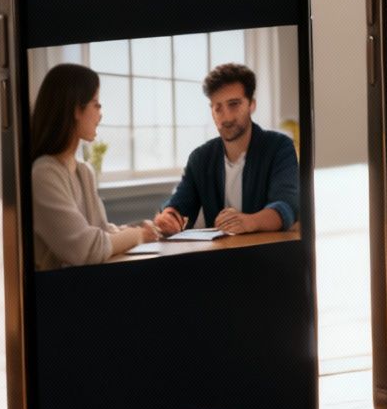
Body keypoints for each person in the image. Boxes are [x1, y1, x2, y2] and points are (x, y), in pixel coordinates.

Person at [27, 62, 159, 270]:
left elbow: (101, 232)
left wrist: (140, 229)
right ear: (75, 110)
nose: (100, 114)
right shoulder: (43, 174)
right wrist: (137, 235)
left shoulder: (83, 171)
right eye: (96, 104)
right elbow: (87, 249)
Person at [154, 62, 299, 237]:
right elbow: (180, 203)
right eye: (218, 108)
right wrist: (169, 215)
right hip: (219, 257)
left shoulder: (279, 147)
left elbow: (287, 205)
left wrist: (249, 221)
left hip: (266, 255)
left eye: (234, 104)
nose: (226, 117)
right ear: (212, 111)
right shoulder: (200, 157)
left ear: (251, 105)